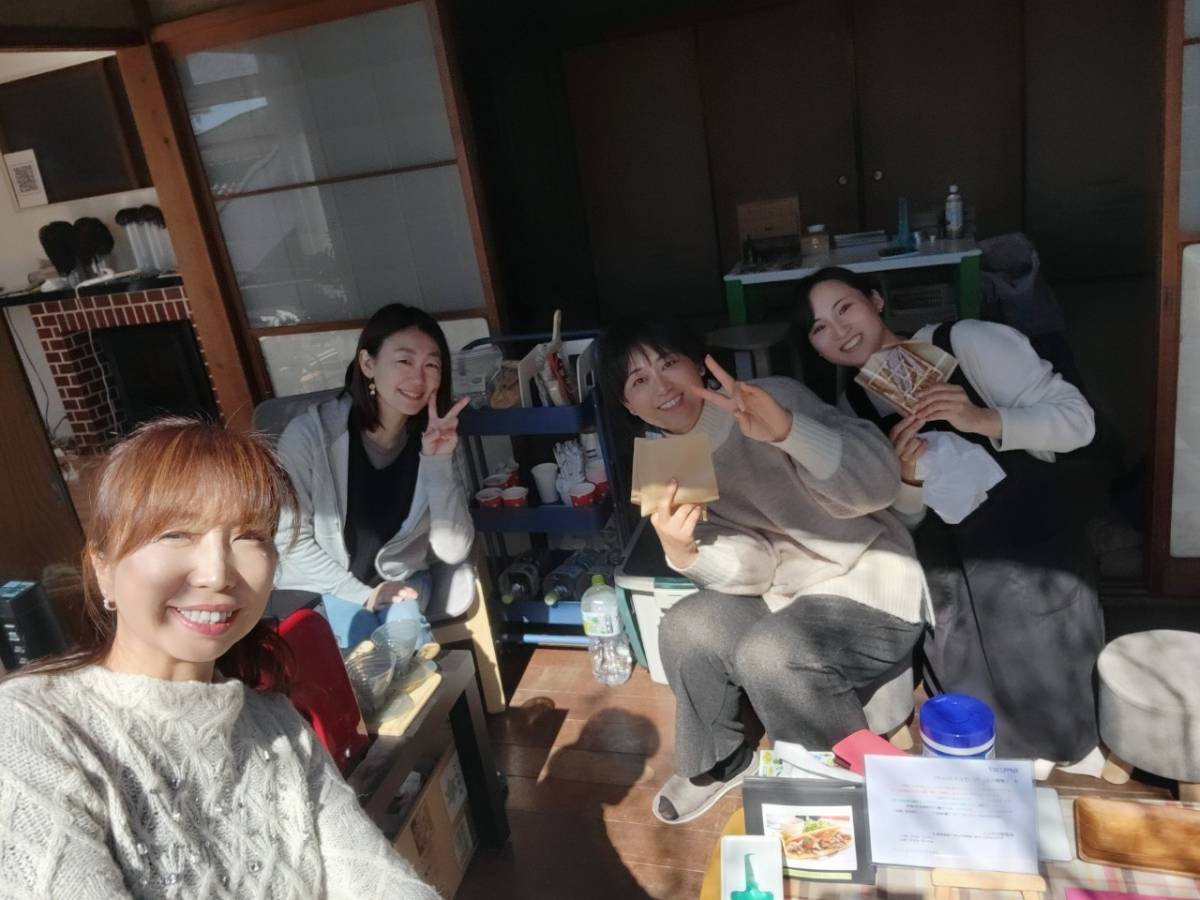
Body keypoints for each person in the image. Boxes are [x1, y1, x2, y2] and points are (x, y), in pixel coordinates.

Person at [0, 419, 438, 899]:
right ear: (102, 569)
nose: (217, 574)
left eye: (249, 536)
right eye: (175, 534)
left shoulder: (277, 727)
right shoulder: (32, 731)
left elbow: (379, 882)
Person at [599, 318, 927, 825]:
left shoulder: (768, 397)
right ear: (627, 405)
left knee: (771, 653)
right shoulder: (667, 463)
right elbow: (755, 567)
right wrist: (684, 552)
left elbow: (879, 485)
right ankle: (719, 760)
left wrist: (790, 432)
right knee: (684, 625)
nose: (662, 386)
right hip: (783, 593)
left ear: (698, 364)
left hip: (869, 577)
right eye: (639, 380)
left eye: (669, 363)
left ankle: (834, 790)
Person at [799, 265, 1104, 770]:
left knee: (1055, 717)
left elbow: (1079, 423)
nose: (840, 330)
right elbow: (899, 521)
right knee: (972, 729)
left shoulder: (966, 343)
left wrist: (979, 418)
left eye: (845, 308)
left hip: (1031, 547)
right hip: (950, 578)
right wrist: (906, 478)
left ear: (876, 300)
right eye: (819, 328)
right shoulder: (851, 409)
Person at [274, 303, 473, 649]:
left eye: (431, 365)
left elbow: (453, 549)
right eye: (404, 361)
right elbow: (289, 542)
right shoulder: (309, 437)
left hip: (404, 580)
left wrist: (438, 462)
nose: (418, 378)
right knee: (361, 641)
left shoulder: (436, 438)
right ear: (368, 364)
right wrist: (363, 594)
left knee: (404, 631)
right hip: (327, 587)